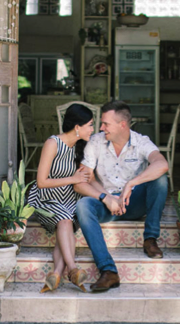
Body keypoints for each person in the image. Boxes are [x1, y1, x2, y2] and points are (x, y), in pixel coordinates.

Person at [74, 100, 169, 293]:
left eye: (105, 124)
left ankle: (150, 238)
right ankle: (108, 271)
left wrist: (131, 184)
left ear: (122, 125)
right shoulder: (96, 142)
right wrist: (106, 197)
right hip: (107, 205)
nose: (101, 128)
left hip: (134, 203)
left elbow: (161, 164)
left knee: (160, 180)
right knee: (83, 205)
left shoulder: (141, 141)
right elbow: (81, 181)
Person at [26, 104, 94, 293]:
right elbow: (41, 182)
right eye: (90, 125)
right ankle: (73, 269)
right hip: (47, 199)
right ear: (77, 127)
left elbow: (87, 177)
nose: (92, 129)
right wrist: (73, 178)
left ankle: (56, 273)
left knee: (66, 225)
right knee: (65, 220)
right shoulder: (53, 143)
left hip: (69, 200)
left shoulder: (81, 147)